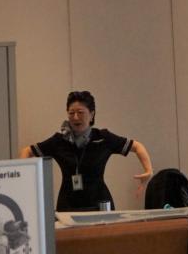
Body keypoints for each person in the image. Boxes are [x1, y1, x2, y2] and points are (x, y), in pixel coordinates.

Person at [19, 90, 152, 212]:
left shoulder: (103, 138)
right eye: (71, 113)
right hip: (68, 205)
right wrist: (22, 177)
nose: (75, 117)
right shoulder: (59, 140)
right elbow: (27, 151)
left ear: (92, 114)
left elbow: (137, 146)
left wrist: (148, 170)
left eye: (80, 112)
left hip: (100, 204)